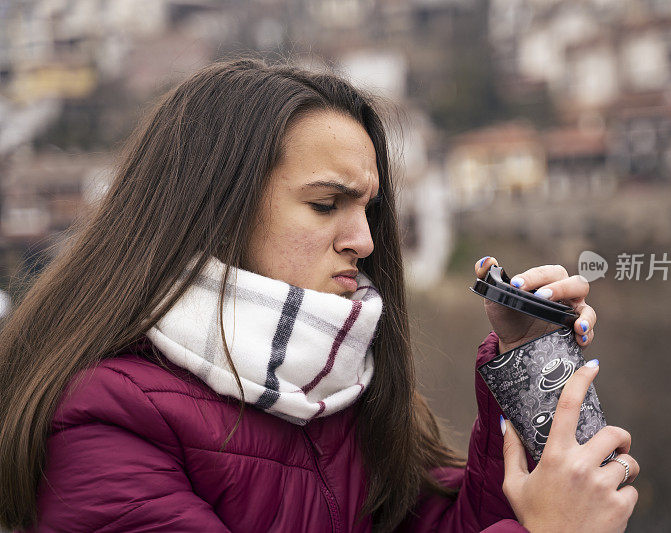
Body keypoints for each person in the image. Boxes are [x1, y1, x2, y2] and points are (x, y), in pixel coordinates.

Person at [0, 58, 638, 532]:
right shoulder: (98, 423)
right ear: (213, 209)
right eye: (326, 204)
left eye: (368, 208)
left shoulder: (341, 385)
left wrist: (524, 371)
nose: (363, 240)